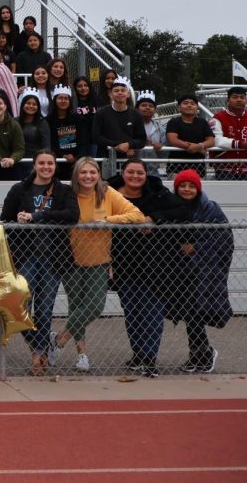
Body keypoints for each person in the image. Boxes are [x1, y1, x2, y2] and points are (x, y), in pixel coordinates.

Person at [56, 157, 146, 372]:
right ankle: (82, 355)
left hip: (99, 260)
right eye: (83, 172)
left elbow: (138, 216)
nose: (88, 176)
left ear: (98, 174)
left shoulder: (107, 193)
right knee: (76, 306)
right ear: (76, 174)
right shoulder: (67, 194)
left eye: (92, 172)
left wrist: (108, 220)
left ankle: (59, 339)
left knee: (94, 306)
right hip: (71, 260)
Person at [0, 148, 79, 376]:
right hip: (26, 258)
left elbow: (72, 215)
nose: (46, 167)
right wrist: (18, 220)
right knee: (20, 307)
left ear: (55, 166)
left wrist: (38, 217)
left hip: (53, 259)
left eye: (50, 164)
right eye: (42, 163)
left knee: (45, 309)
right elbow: (5, 219)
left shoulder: (63, 191)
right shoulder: (19, 189)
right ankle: (39, 345)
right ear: (34, 165)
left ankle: (38, 353)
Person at [108, 158, 191, 377]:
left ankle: (149, 358)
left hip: (155, 267)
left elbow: (183, 211)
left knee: (152, 313)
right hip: (123, 265)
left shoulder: (158, 193)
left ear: (146, 175)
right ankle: (138, 355)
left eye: (140, 173)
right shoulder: (110, 193)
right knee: (132, 313)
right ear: (123, 173)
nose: (135, 176)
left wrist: (153, 219)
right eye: (130, 172)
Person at [165, 169, 233, 373]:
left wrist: (197, 248)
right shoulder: (170, 208)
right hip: (180, 271)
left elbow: (224, 239)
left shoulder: (210, 210)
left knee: (194, 313)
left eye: (191, 185)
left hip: (204, 271)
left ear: (198, 188)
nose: (186, 189)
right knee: (188, 313)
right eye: (182, 186)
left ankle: (202, 354)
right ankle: (200, 355)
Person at [93, 76, 145, 160]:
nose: (120, 93)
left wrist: (129, 145)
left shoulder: (136, 114)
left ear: (128, 94)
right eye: (116, 91)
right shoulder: (101, 113)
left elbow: (141, 139)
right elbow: (96, 137)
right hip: (106, 159)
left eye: (123, 90)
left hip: (128, 160)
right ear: (111, 94)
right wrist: (117, 145)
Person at [165, 93, 214, 175]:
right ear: (179, 107)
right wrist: (192, 147)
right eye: (185, 103)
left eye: (192, 103)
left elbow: (211, 141)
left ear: (197, 107)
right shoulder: (173, 122)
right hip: (176, 167)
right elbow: (172, 140)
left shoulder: (202, 122)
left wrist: (199, 146)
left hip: (198, 167)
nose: (189, 105)